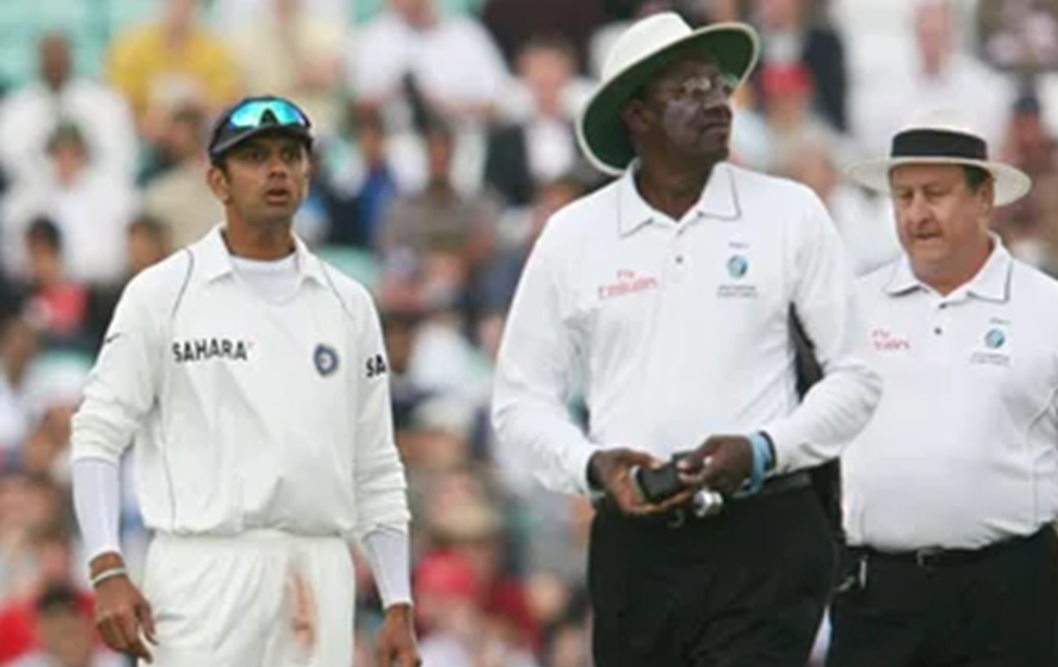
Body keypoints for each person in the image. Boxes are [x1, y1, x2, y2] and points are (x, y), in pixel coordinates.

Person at [490, 12, 882, 667]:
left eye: (718, 86)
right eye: (688, 90)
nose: (716, 103)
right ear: (636, 116)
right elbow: (520, 399)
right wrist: (595, 466)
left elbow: (857, 376)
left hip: (766, 531)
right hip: (635, 544)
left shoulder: (790, 212)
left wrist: (764, 449)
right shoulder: (574, 234)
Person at [69, 95, 422, 667]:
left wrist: (398, 603)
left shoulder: (349, 304)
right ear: (218, 181)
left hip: (318, 573)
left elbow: (376, 463)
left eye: (290, 155)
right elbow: (97, 435)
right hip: (200, 572)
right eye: (255, 157)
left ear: (309, 174)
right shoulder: (162, 293)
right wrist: (107, 565)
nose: (277, 169)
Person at [826, 109, 1058, 667]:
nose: (917, 215)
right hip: (875, 598)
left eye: (936, 193)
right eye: (903, 197)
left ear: (984, 197)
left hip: (1007, 597)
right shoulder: (849, 309)